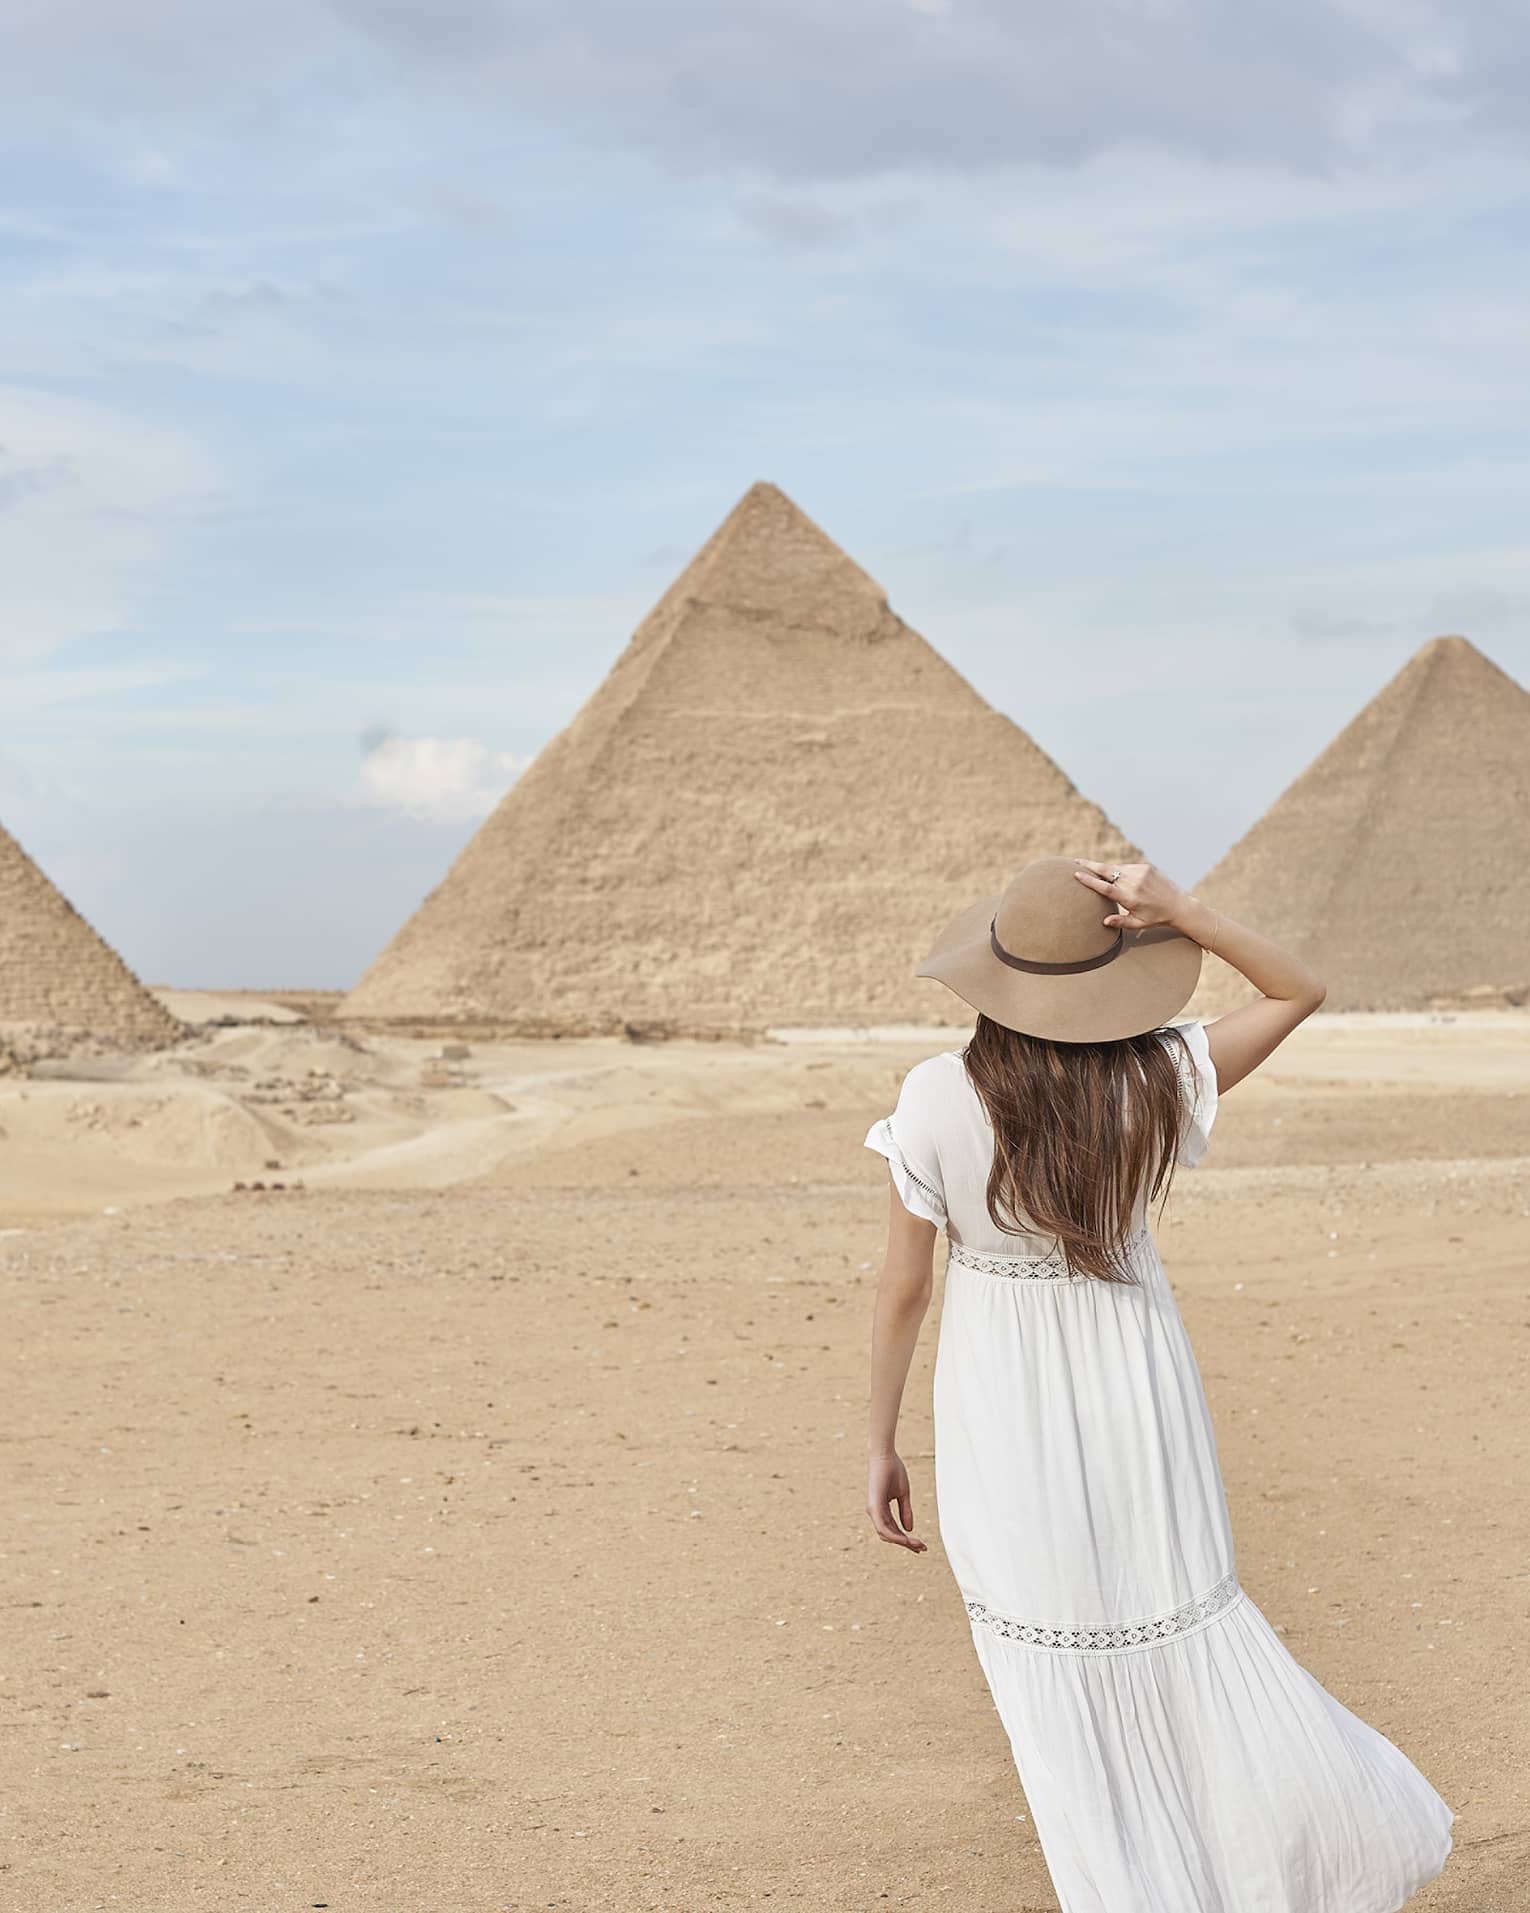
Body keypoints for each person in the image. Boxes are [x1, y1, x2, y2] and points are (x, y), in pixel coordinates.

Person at [864, 855, 1453, 1912]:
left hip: (1003, 1398)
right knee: (1174, 1618)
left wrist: (880, 1440)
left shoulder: (931, 1096)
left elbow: (904, 1290)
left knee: (1051, 1671)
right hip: (1137, 1378)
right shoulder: (1157, 1077)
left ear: (991, 977)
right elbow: (1297, 990)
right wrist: (1186, 910)